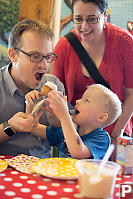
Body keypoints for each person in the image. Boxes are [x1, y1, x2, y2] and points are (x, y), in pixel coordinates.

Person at [52, 0, 133, 160]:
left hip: (114, 128)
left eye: (91, 19)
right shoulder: (64, 46)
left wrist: (116, 134)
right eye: (78, 19)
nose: (84, 27)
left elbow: (131, 93)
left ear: (105, 15)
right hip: (74, 131)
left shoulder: (124, 42)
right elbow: (57, 91)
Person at [0, 19, 65, 156]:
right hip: (6, 170)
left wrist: (57, 122)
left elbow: (65, 142)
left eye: (47, 57)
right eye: (35, 56)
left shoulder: (55, 86)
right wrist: (10, 126)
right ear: (13, 55)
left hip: (44, 168)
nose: (44, 65)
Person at [25, 84, 122, 159]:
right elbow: (31, 127)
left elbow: (78, 152)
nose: (77, 101)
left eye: (86, 100)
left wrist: (64, 115)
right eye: (81, 98)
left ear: (101, 117)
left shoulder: (102, 139)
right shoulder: (66, 132)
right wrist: (30, 104)